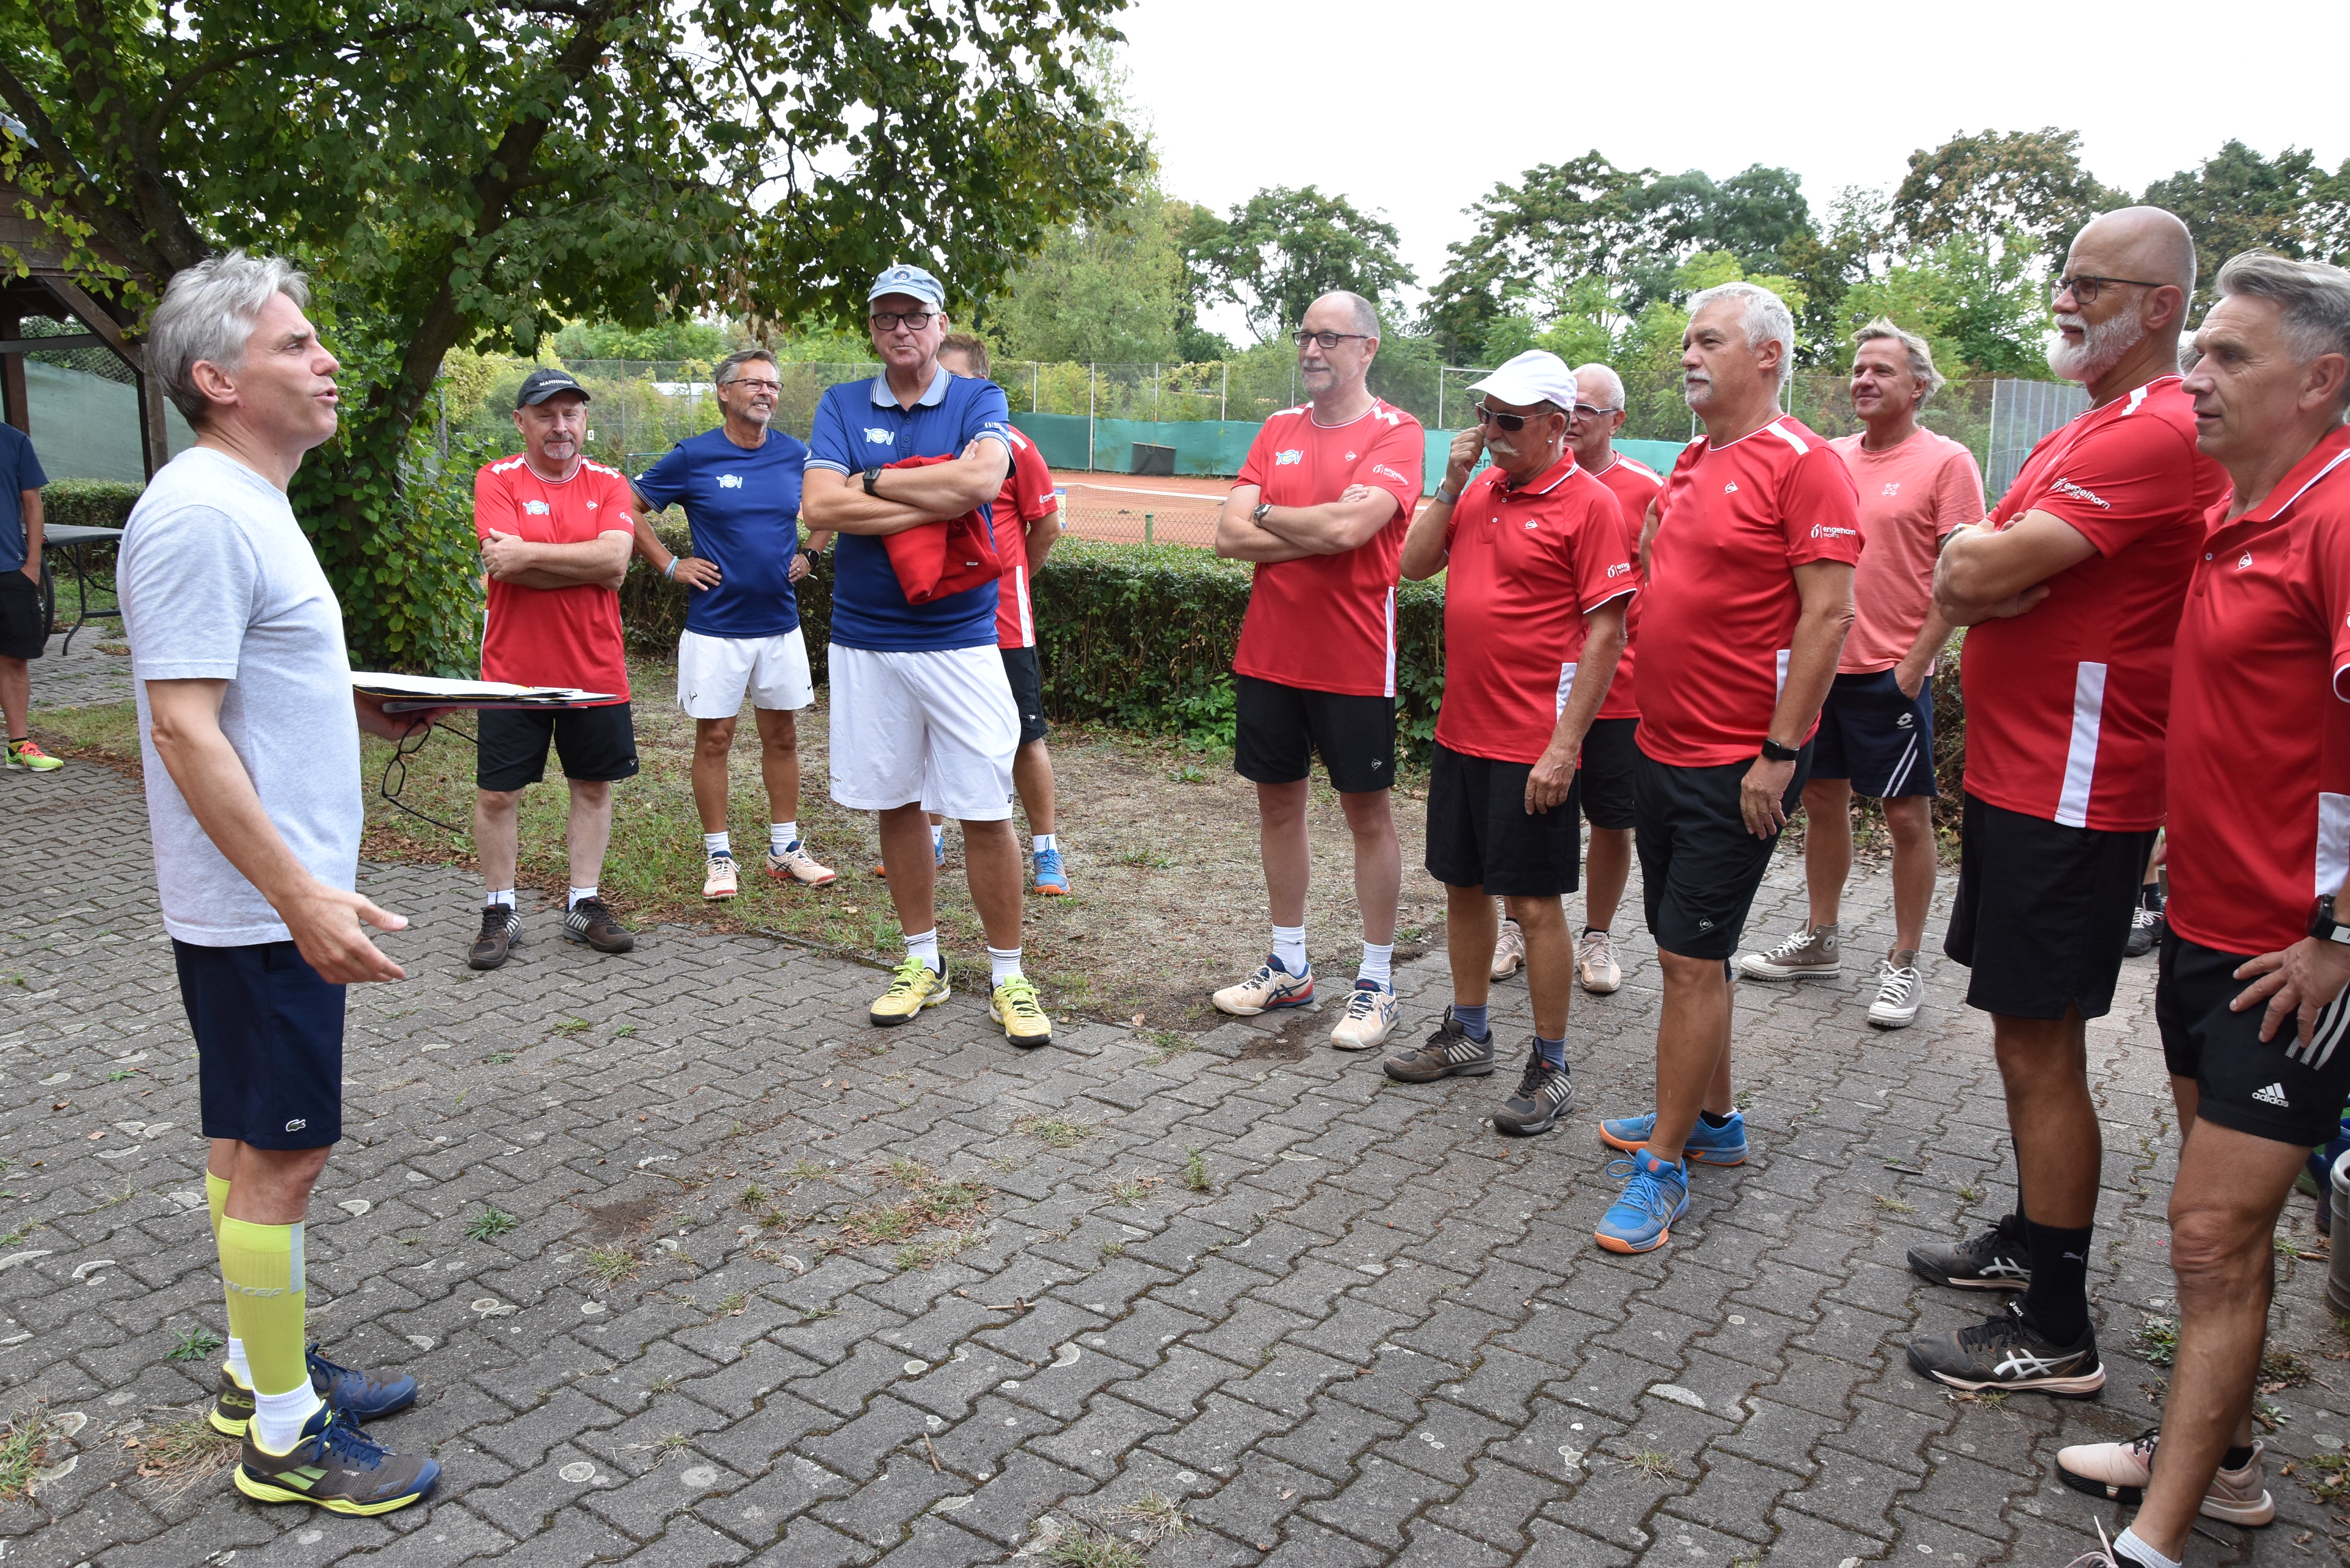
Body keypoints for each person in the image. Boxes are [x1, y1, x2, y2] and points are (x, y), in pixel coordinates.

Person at [118, 250, 437, 1515]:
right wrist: (301, 898)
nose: (327, 360)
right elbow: (182, 726)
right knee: (286, 1159)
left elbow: (245, 682)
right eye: (295, 344)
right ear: (218, 378)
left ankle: (262, 1369)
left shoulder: (243, 499)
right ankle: (285, 1441)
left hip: (263, 900)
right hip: (261, 906)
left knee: (245, 1134)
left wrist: (358, 709)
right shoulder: (202, 510)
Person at [2057, 253, 2350, 1568]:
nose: (2197, 378)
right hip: (2208, 932)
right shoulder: (2243, 511)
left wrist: (2339, 936)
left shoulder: (2338, 515)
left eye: (2230, 356)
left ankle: (2154, 1542)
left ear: (2320, 379)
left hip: (2295, 959)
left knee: (2208, 1236)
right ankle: (2221, 1462)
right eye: (2199, 353)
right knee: (2223, 1231)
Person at [1905, 206, 2227, 1397]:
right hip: (2024, 776)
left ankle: (2056, 1325)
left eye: (2090, 283)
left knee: (2041, 1042)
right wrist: (1983, 574)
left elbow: (1971, 567)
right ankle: (2035, 1239)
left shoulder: (2157, 432)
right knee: (2021, 1033)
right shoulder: (2093, 425)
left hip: (2076, 789)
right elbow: (1965, 570)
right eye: (2064, 276)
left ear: (2159, 307)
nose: (2062, 297)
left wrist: (1985, 574)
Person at [1592, 282, 1861, 1254]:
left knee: (1687, 961)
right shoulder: (1697, 457)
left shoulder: (1807, 465)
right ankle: (1713, 1123)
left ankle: (1663, 1168)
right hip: (1660, 745)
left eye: (1708, 341)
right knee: (1686, 953)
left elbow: (1829, 616)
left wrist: (1779, 755)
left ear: (1767, 356)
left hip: (1735, 766)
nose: (1688, 357)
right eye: (1686, 343)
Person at [799, 263, 1050, 1046]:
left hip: (961, 642)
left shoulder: (978, 398)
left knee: (984, 809)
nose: (900, 330)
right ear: (873, 328)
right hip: (866, 640)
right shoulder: (841, 402)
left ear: (941, 325)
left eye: (915, 316)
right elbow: (819, 506)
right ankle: (922, 963)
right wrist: (927, 494)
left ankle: (1008, 977)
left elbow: (979, 486)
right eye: (886, 318)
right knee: (898, 802)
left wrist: (873, 482)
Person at [1381, 351, 1631, 1137]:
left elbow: (1607, 634)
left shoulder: (1590, 503)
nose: (1491, 431)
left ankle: (1552, 1067)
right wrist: (1450, 482)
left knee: (1531, 902)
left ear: (1558, 426)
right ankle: (1469, 1033)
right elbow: (1412, 566)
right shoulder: (1480, 487)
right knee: (1462, 884)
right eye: (1485, 415)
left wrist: (1564, 747)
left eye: (1510, 420)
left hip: (1531, 743)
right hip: (1462, 731)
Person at [1739, 320, 1983, 1029]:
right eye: (1858, 369)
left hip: (1891, 674)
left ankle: (1904, 961)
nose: (1864, 381)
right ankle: (1820, 939)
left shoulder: (1947, 461)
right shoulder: (1832, 457)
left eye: (1882, 370)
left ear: (1919, 385)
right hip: (1824, 670)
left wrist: (1915, 664)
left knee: (1905, 815)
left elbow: (1962, 576)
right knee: (1821, 802)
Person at [1209, 291, 1425, 1052]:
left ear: (1368, 348)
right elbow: (1228, 537)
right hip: (1270, 656)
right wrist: (1314, 527)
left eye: (1329, 337)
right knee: (1278, 809)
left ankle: (1377, 981)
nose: (1311, 349)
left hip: (1354, 661)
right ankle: (1289, 965)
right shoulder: (1278, 428)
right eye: (1304, 335)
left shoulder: (1397, 432)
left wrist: (1270, 515)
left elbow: (1350, 528)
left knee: (1367, 818)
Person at [627, 347, 836, 900]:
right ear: (724, 392)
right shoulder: (693, 456)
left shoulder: (796, 455)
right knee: (715, 739)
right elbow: (625, 506)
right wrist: (669, 564)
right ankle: (719, 856)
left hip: (779, 625)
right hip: (714, 628)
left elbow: (834, 503)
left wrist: (812, 552)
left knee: (783, 737)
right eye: (753, 383)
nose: (766, 392)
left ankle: (784, 849)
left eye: (773, 384)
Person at [467, 368, 640, 969]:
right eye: (545, 415)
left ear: (584, 420)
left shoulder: (610, 483)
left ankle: (583, 904)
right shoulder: (497, 479)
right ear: (521, 422)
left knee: (592, 786)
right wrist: (583, 564)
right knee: (498, 794)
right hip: (512, 672)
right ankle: (500, 909)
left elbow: (615, 562)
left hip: (595, 668)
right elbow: (502, 565)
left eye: (570, 413)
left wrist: (531, 556)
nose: (559, 426)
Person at [1500, 361, 1662, 996]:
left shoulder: (1648, 489)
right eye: (1567, 406)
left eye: (1587, 409)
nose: (1573, 419)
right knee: (1524, 809)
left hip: (1618, 693)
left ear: (1616, 419)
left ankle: (1596, 935)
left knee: (1611, 821)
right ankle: (1514, 925)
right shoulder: (1515, 483)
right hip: (1538, 694)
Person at [936, 332, 1071, 896]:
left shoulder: (1014, 446)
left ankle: (1046, 851)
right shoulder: (925, 441)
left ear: (983, 385)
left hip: (1003, 626)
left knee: (1023, 738)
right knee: (931, 737)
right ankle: (930, 840)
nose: (947, 390)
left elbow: (1047, 528)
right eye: (939, 379)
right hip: (934, 625)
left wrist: (1012, 580)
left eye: (957, 380)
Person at [0, 418, 60, 772]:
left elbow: (33, 503)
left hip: (10, 569)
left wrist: (32, 565)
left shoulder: (13, 441)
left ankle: (18, 746)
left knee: (14, 660)